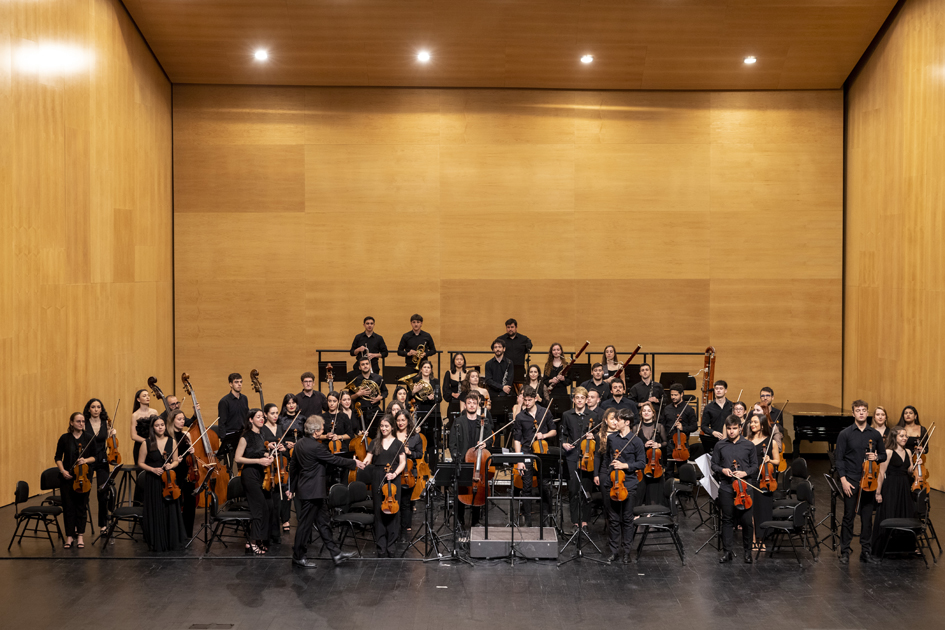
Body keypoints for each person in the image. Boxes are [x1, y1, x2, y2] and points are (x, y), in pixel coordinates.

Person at [290, 414, 364, 568]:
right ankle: (298, 556)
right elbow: (334, 460)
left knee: (324, 523)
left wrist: (290, 488)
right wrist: (354, 462)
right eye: (322, 429)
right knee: (304, 525)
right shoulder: (317, 447)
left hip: (310, 491)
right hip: (313, 493)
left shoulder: (299, 444)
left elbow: (293, 468)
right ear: (316, 431)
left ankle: (336, 553)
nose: (323, 431)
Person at [835, 399, 886, 564]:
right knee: (848, 517)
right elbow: (839, 459)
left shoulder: (875, 434)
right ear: (853, 413)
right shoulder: (845, 434)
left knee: (867, 518)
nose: (861, 413)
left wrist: (876, 457)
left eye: (864, 410)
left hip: (869, 482)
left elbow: (884, 455)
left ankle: (866, 552)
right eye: (858, 410)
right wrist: (843, 480)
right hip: (851, 480)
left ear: (867, 412)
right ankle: (844, 551)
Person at [595, 409, 645, 563]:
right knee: (613, 519)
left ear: (627, 422)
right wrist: (606, 477)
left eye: (618, 420)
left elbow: (642, 463)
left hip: (629, 484)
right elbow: (607, 459)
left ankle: (627, 552)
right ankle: (614, 551)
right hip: (612, 483)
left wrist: (625, 465)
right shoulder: (611, 439)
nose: (615, 422)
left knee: (627, 519)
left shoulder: (636, 441)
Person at [711, 415, 759, 564]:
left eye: (734, 428)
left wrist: (744, 473)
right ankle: (727, 552)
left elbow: (755, 466)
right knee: (727, 520)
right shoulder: (720, 445)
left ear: (740, 428)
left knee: (747, 522)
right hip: (726, 487)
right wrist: (722, 470)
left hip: (745, 488)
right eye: (729, 429)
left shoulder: (749, 445)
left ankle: (747, 553)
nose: (731, 431)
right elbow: (714, 465)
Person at [137, 415, 186, 552]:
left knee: (169, 509)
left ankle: (171, 540)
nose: (160, 427)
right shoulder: (146, 443)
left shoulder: (172, 441)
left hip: (168, 480)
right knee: (156, 509)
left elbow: (175, 461)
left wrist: (171, 465)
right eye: (157, 425)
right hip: (153, 480)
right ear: (153, 428)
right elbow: (140, 462)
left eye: (162, 425)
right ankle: (157, 540)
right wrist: (152, 469)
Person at [449, 392, 494, 531]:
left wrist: (486, 444)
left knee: (477, 491)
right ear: (465, 405)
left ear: (478, 405)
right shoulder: (458, 422)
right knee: (462, 492)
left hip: (478, 462)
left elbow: (490, 439)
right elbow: (452, 443)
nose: (472, 405)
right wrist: (457, 458)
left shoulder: (483, 421)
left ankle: (475, 521)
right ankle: (459, 520)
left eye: (474, 403)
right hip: (463, 461)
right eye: (469, 403)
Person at [362, 415, 406, 557]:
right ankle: (381, 545)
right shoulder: (375, 442)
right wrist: (363, 463)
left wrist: (395, 474)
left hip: (393, 477)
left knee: (393, 511)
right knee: (378, 510)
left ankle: (391, 544)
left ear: (392, 427)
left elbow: (403, 462)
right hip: (377, 476)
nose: (384, 428)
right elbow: (368, 457)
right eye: (382, 426)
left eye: (386, 426)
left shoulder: (398, 443)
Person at [512, 386, 556, 527]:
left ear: (536, 398)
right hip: (526, 452)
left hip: (542, 452)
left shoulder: (545, 412)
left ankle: (546, 517)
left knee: (545, 486)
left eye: (529, 400)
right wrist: (519, 460)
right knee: (527, 487)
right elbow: (517, 440)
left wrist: (544, 435)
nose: (527, 403)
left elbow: (554, 431)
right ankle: (528, 521)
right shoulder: (520, 417)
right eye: (525, 400)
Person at [871, 426, 917, 556]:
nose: (905, 438)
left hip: (904, 486)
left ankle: (903, 547)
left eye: (906, 436)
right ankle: (886, 547)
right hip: (891, 487)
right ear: (894, 437)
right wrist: (878, 492)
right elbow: (881, 473)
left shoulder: (908, 452)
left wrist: (915, 464)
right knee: (890, 513)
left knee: (905, 514)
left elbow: (909, 471)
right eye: (901, 436)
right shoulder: (888, 452)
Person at [234, 408, 274, 555]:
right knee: (259, 508)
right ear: (251, 420)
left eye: (262, 417)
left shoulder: (261, 435)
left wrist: (268, 455)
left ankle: (259, 540)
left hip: (260, 474)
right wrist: (259, 460)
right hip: (249, 475)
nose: (262, 419)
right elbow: (237, 458)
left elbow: (259, 452)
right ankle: (251, 542)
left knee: (267, 507)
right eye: (258, 417)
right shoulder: (245, 437)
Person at [56, 412, 96, 549]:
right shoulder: (64, 438)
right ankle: (69, 536)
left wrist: (85, 460)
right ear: (71, 422)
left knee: (81, 507)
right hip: (67, 478)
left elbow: (95, 457)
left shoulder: (89, 438)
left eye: (83, 421)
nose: (81, 424)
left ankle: (80, 536)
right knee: (68, 507)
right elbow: (58, 457)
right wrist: (63, 471)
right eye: (78, 421)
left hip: (84, 478)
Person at [560, 388, 595, 528]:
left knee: (586, 489)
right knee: (573, 489)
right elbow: (563, 434)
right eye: (577, 398)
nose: (579, 400)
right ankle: (575, 520)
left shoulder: (593, 415)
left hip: (588, 456)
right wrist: (564, 444)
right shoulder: (567, 415)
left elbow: (600, 434)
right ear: (573, 399)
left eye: (582, 398)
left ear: (586, 400)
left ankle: (585, 520)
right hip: (572, 456)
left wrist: (594, 436)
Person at [745, 413, 779, 547]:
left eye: (755, 422)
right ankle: (753, 538)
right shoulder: (746, 441)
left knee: (762, 510)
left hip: (765, 479)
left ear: (762, 425)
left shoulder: (771, 442)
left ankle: (761, 539)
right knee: (751, 511)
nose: (752, 424)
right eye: (751, 422)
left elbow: (777, 461)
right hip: (750, 477)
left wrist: (769, 459)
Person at [83, 398, 116, 535]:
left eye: (98, 407)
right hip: (88, 460)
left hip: (102, 459)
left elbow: (109, 442)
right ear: (89, 409)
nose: (96, 409)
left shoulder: (106, 423)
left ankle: (103, 525)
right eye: (93, 407)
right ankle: (79, 527)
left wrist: (112, 434)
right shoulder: (84, 423)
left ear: (101, 409)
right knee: (85, 492)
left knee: (103, 493)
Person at [261, 403, 289, 543]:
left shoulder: (280, 427)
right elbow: (259, 448)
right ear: (265, 414)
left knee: (277, 502)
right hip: (267, 468)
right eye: (272, 413)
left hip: (279, 467)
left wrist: (284, 448)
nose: (275, 415)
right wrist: (268, 450)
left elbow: (284, 446)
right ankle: (265, 534)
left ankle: (276, 534)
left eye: (277, 413)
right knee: (268, 503)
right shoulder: (262, 429)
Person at [168, 409, 198, 538]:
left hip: (187, 471)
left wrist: (192, 451)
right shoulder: (168, 437)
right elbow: (166, 457)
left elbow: (190, 456)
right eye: (179, 419)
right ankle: (176, 532)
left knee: (190, 502)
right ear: (172, 420)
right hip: (175, 473)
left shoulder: (186, 435)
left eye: (183, 419)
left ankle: (188, 532)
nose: (182, 421)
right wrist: (175, 459)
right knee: (176, 502)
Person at [394, 410, 423, 539]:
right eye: (398, 420)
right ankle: (394, 525)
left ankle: (405, 527)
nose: (400, 423)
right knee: (395, 499)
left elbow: (420, 454)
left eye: (403, 420)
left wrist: (409, 452)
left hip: (408, 473)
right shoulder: (391, 434)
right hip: (394, 471)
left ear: (408, 421)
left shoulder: (415, 437)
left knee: (406, 502)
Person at [635, 402, 668, 506]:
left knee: (654, 489)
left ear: (653, 413)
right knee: (641, 487)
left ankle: (654, 509)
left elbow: (665, 442)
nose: (646, 413)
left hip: (655, 461)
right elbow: (633, 445)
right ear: (641, 413)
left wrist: (658, 445)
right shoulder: (636, 428)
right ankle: (640, 510)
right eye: (644, 411)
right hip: (642, 461)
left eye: (649, 411)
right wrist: (643, 445)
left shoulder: (659, 426)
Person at [594, 408, 620, 524]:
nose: (614, 422)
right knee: (606, 500)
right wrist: (596, 474)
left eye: (617, 419)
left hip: (620, 471)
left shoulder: (622, 435)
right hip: (605, 471)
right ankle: (609, 525)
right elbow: (597, 456)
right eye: (612, 419)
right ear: (605, 420)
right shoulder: (600, 436)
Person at [661, 384, 698, 455]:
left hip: (682, 444)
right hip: (668, 444)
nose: (673, 397)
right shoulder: (667, 409)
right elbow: (662, 425)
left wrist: (683, 428)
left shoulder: (689, 409)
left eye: (675, 395)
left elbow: (694, 427)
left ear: (681, 394)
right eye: (672, 395)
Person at [700, 380, 732, 453]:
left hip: (730, 439)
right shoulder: (708, 407)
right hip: (715, 440)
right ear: (714, 390)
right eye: (716, 388)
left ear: (725, 390)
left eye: (721, 388)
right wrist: (713, 432)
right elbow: (703, 426)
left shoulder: (731, 406)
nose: (718, 390)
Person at [131, 389, 160, 467]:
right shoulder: (135, 415)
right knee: (141, 471)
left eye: (148, 395)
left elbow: (159, 428)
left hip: (154, 445)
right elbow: (133, 436)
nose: (147, 397)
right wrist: (147, 442)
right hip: (140, 446)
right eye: (144, 396)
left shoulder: (154, 412)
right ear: (138, 399)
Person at [217, 373, 250, 440]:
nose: (239, 384)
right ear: (230, 384)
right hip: (230, 435)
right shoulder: (224, 401)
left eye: (241, 382)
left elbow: (247, 417)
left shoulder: (244, 398)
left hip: (243, 434)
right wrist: (224, 439)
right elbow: (221, 423)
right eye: (236, 382)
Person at [442, 353, 468, 417]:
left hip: (466, 402)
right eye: (457, 359)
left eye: (461, 359)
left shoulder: (468, 373)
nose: (459, 361)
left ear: (464, 361)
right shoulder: (449, 373)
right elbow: (445, 388)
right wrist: (452, 394)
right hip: (453, 401)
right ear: (454, 361)